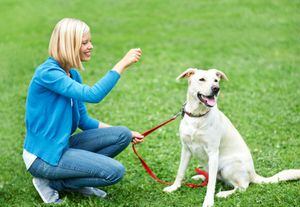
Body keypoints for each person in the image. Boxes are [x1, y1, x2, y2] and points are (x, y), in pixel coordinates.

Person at [23, 18, 144, 204]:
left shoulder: (73, 74)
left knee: (122, 134)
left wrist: (129, 134)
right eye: (85, 42)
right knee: (115, 171)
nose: (91, 46)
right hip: (43, 156)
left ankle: (73, 176)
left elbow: (84, 121)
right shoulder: (47, 73)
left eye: (90, 41)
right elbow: (93, 95)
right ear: (69, 45)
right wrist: (121, 65)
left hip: (62, 146)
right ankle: (54, 183)